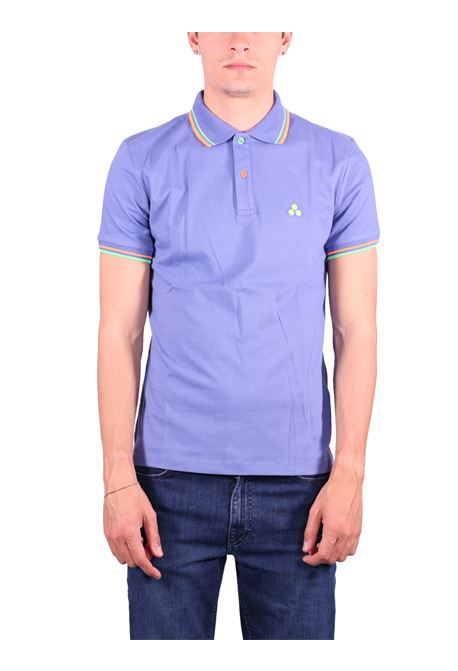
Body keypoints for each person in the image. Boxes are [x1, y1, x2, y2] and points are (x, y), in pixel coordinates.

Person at [97, 32, 380, 640]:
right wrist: (117, 476)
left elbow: (355, 329)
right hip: (166, 487)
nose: (240, 39)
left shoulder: (337, 160)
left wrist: (351, 474)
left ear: (285, 35)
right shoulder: (141, 159)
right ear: (194, 34)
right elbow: (119, 330)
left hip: (301, 491)